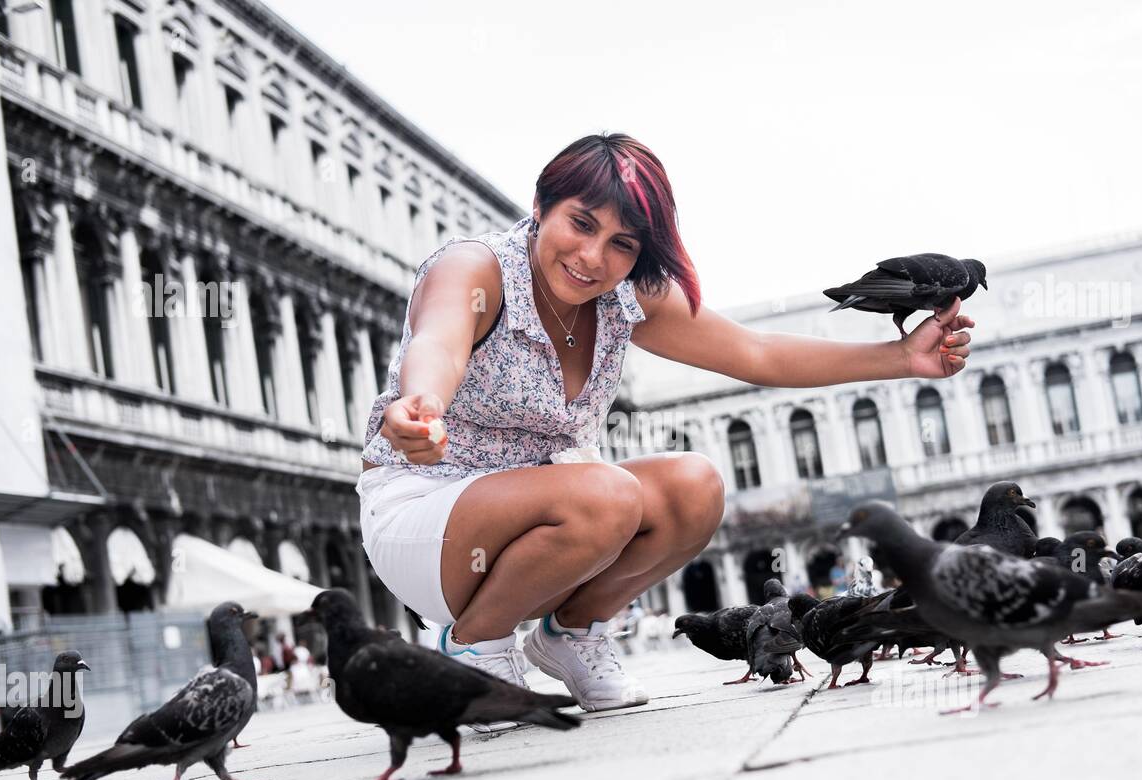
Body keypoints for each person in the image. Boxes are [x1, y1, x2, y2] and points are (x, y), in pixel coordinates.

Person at [357, 132, 975, 713]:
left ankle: (571, 635)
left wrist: (899, 358)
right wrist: (421, 404)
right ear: (541, 204)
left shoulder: (625, 296)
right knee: (606, 492)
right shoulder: (476, 269)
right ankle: (475, 648)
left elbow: (754, 354)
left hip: (545, 526)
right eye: (580, 223)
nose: (592, 257)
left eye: (622, 243)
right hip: (427, 519)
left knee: (694, 485)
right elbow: (438, 339)